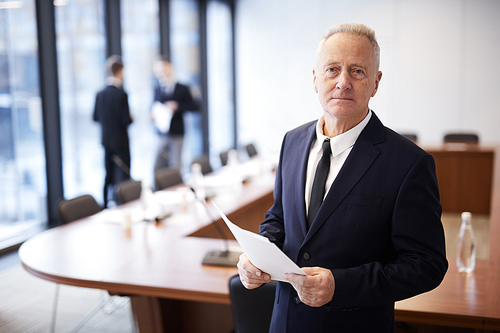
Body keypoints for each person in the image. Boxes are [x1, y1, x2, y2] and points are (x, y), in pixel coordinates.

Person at [237, 23, 448, 332]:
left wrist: (341, 285)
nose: (343, 83)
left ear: (376, 83)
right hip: (284, 324)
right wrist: (256, 257)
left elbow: (426, 265)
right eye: (332, 70)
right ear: (315, 78)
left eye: (358, 72)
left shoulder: (409, 163)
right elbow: (279, 218)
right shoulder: (291, 142)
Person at [93, 55, 133, 208]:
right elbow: (126, 121)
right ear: (121, 71)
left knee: (108, 173)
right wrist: (131, 118)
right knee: (124, 173)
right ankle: (125, 205)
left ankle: (104, 205)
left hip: (106, 141)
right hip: (121, 141)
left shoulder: (99, 94)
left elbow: (95, 117)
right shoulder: (121, 94)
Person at [152, 57, 199, 173]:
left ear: (170, 68)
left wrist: (177, 106)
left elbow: (195, 106)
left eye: (163, 69)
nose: (161, 73)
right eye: (158, 71)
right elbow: (154, 106)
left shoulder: (182, 88)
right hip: (162, 133)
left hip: (177, 132)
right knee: (157, 165)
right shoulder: (158, 89)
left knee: (175, 165)